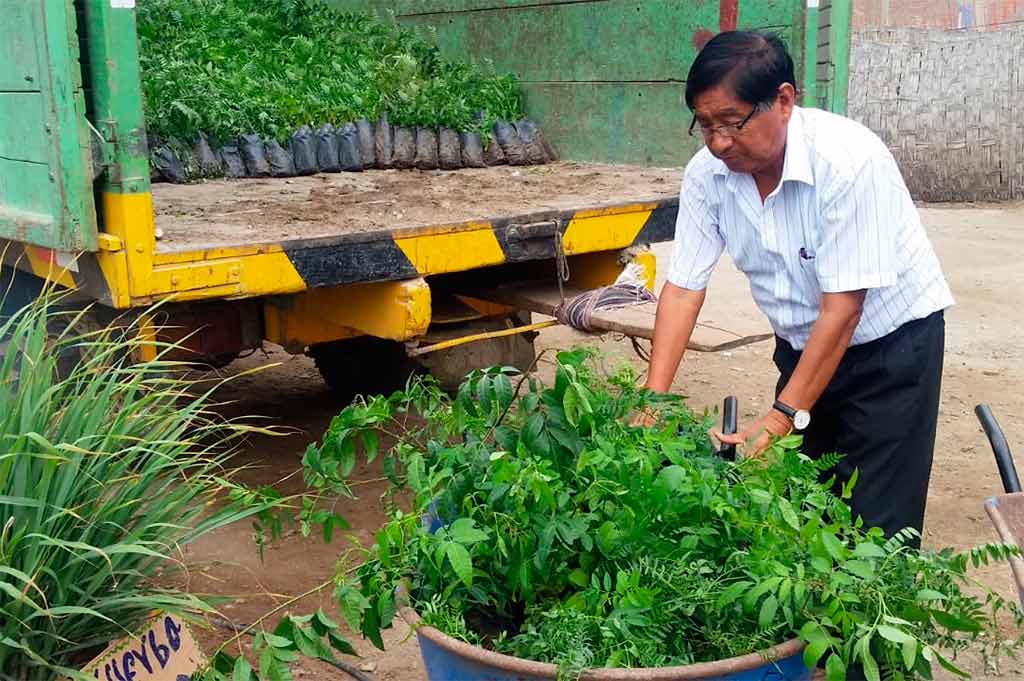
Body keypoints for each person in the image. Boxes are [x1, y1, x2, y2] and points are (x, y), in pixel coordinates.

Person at [643, 31, 953, 542]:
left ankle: (871, 615)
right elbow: (682, 287)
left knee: (874, 527)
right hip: (801, 347)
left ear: (783, 101)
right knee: (804, 508)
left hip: (889, 354)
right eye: (704, 125)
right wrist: (652, 399)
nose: (719, 142)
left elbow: (845, 309)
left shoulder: (848, 162)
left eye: (732, 122)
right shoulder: (707, 175)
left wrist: (781, 416)